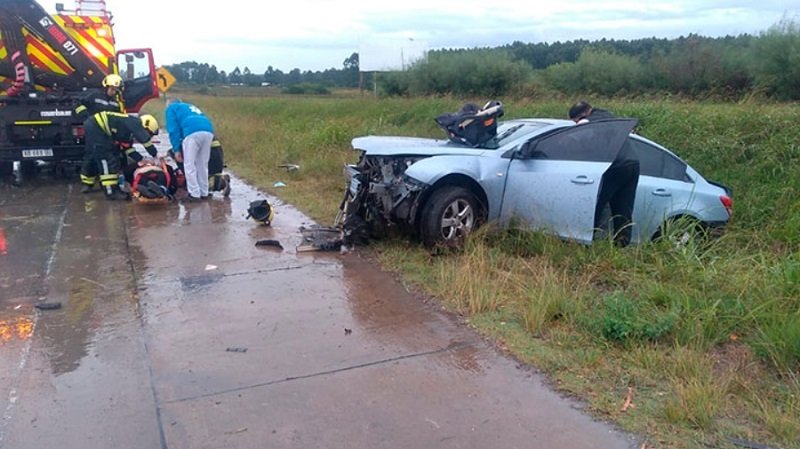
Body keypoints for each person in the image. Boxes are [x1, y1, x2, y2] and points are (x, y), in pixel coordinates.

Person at [569, 101, 639, 247]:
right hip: (632, 162)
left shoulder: (586, 122)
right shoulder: (610, 116)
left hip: (613, 165)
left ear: (583, 114)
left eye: (576, 120)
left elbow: (574, 139)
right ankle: (621, 245)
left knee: (595, 205)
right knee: (623, 208)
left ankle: (584, 242)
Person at [79, 111, 159, 200]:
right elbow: (145, 141)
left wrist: (141, 159)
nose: (150, 136)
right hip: (97, 127)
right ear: (146, 127)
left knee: (96, 155)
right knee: (107, 158)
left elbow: (127, 148)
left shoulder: (127, 130)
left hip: (96, 127)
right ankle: (111, 192)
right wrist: (155, 155)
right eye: (150, 134)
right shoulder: (135, 123)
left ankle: (90, 184)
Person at [165, 99, 214, 201]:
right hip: (208, 131)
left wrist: (176, 149)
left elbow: (173, 130)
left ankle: (194, 194)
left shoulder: (171, 108)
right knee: (202, 165)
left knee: (189, 165)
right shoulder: (188, 107)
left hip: (192, 133)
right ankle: (204, 192)